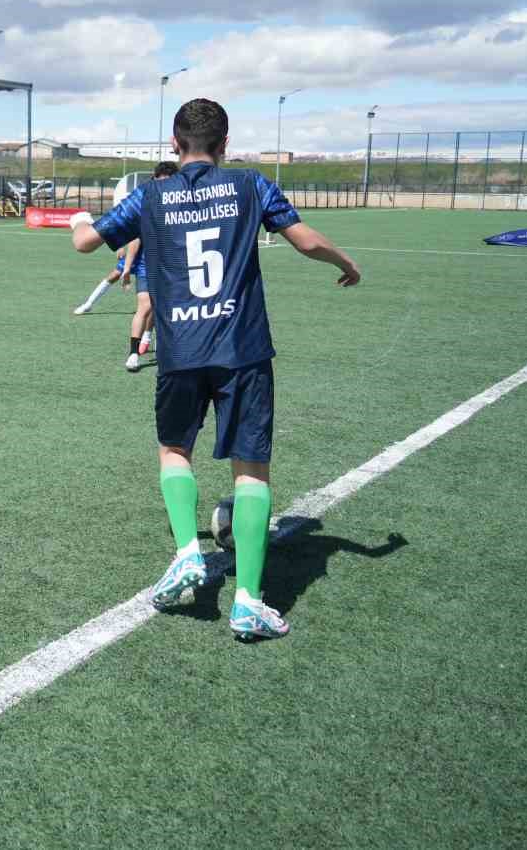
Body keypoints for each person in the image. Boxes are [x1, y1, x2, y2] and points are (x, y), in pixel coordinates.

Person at [70, 98, 361, 641]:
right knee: (251, 469)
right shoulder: (250, 185)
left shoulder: (149, 195)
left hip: (180, 350)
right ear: (225, 145)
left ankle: (186, 553)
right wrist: (345, 262)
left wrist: (80, 217)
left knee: (174, 451)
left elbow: (86, 242)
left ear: (175, 145)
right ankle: (249, 601)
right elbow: (304, 239)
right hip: (242, 349)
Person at [123, 161, 182, 371]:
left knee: (163, 308)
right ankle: (132, 353)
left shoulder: (182, 206)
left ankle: (153, 338)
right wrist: (127, 267)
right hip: (147, 265)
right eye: (160, 182)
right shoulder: (146, 204)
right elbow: (135, 238)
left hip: (173, 265)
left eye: (168, 183)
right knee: (145, 306)